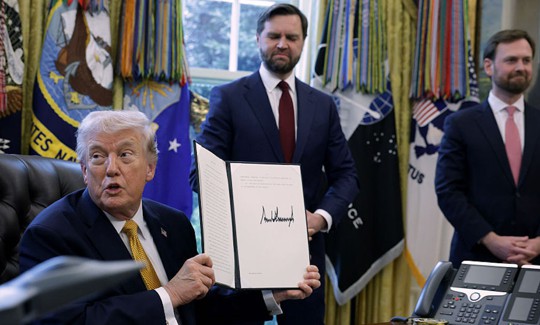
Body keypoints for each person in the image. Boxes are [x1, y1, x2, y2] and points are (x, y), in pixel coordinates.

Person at [19, 110, 321, 325]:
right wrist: (170, 293)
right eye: (97, 156)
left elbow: (198, 308)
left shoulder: (173, 224)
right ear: (84, 171)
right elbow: (72, 321)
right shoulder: (50, 234)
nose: (111, 168)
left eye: (125, 155)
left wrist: (272, 294)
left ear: (150, 168)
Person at [189, 4, 359, 324]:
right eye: (274, 35)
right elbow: (201, 175)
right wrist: (251, 215)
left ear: (303, 42)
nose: (282, 43)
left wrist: (320, 218)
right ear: (258, 39)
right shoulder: (228, 98)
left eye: (291, 37)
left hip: (304, 264)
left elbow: (347, 174)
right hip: (242, 259)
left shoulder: (323, 106)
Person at [435, 29, 540, 268]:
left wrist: (538, 243)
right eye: (511, 60)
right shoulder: (461, 124)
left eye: (526, 60)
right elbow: (448, 191)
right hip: (477, 257)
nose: (521, 67)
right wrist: (491, 239)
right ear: (489, 66)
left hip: (536, 261)